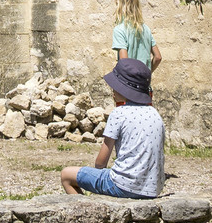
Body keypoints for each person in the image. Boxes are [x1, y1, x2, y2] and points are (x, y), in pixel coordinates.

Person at [60, 56, 165, 198]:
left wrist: (99, 174)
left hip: (123, 185)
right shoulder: (155, 114)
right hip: (153, 189)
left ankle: (85, 211)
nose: (113, 91)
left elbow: (101, 162)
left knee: (66, 175)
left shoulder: (119, 113)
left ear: (122, 89)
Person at [111, 0, 162, 77]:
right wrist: (146, 73)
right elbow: (158, 57)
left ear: (120, 4)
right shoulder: (145, 29)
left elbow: (124, 63)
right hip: (144, 86)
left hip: (128, 87)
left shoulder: (120, 30)